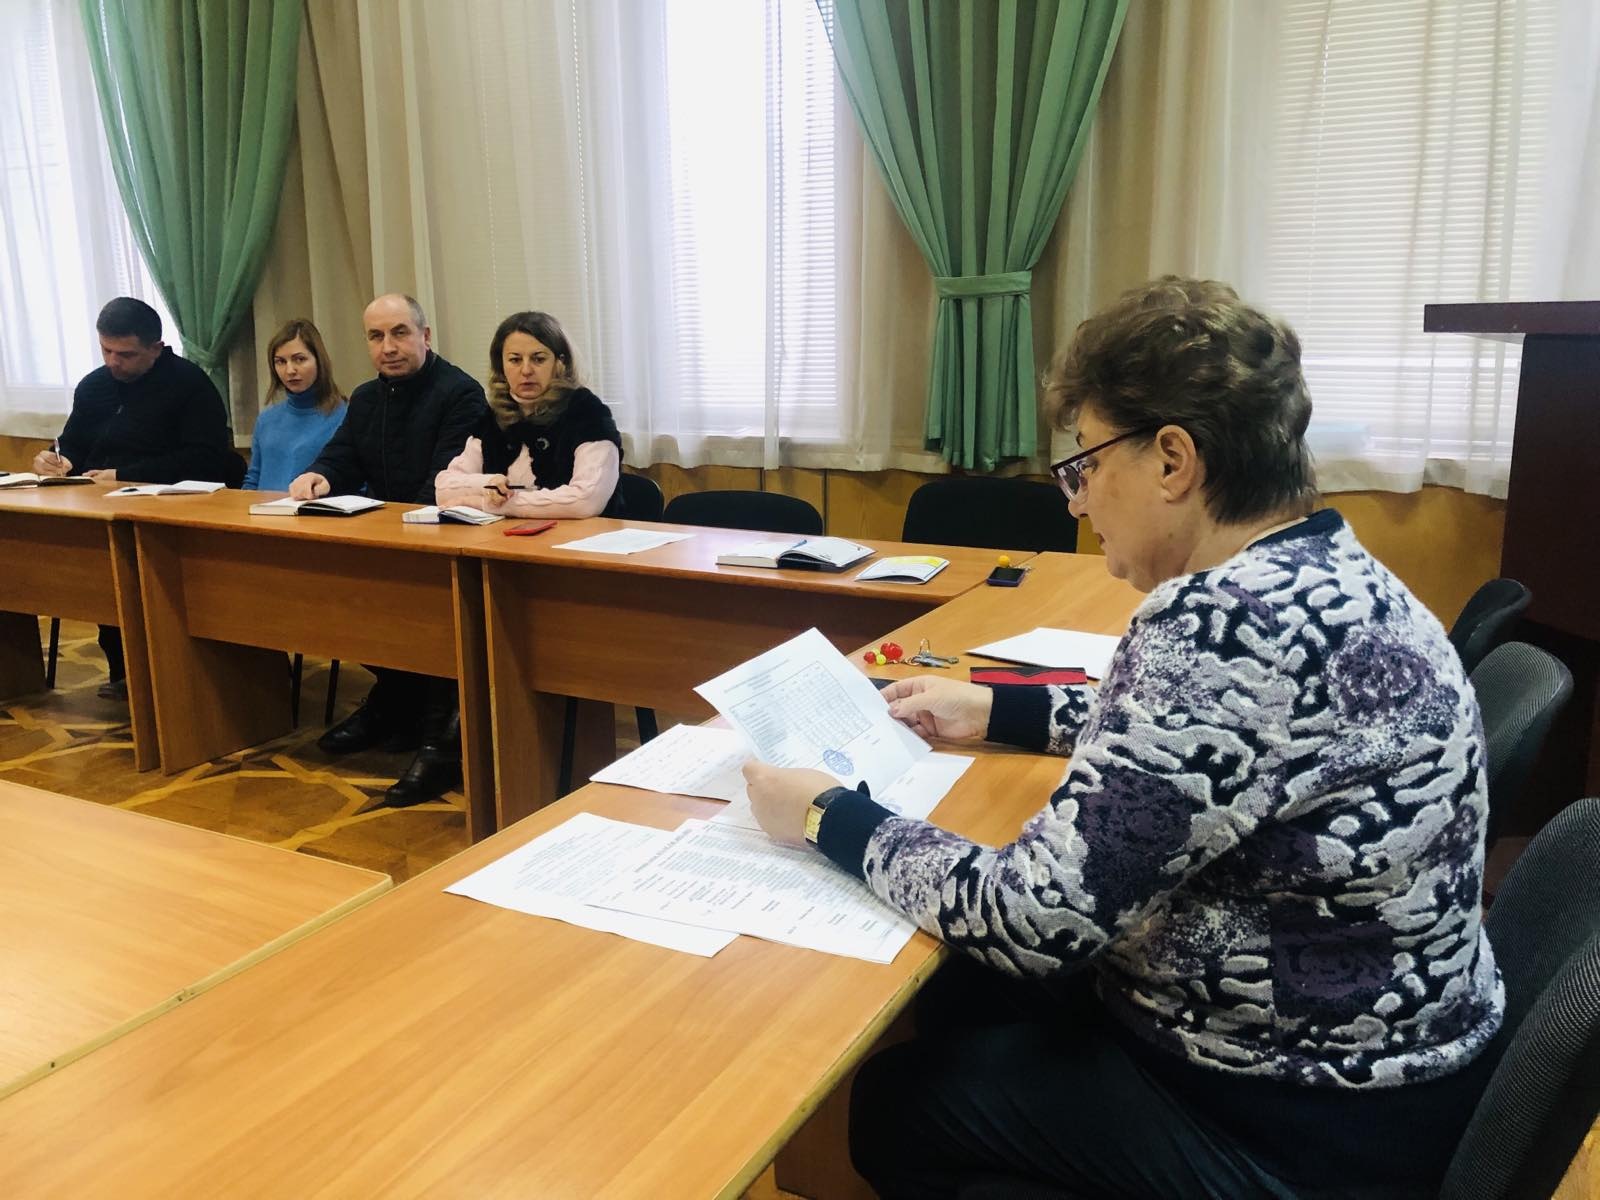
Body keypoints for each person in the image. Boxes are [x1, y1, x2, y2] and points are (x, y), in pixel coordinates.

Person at [742, 277, 1504, 1198]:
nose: (1076, 502)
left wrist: (826, 815)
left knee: (897, 1101)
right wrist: (997, 709)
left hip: (1294, 1116)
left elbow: (1033, 918)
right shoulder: (1328, 569)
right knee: (963, 994)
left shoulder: (1217, 622)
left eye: (1086, 467)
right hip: (1391, 1067)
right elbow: (1204, 747)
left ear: (1173, 460)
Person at [290, 294, 488, 808]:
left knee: (423, 615)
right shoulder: (366, 397)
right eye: (376, 337)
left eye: (400, 333)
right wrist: (319, 476)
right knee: (345, 599)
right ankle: (395, 700)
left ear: (425, 335)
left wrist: (402, 527)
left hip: (446, 542)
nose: (388, 347)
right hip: (390, 538)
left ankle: (440, 739)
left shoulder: (460, 393)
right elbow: (343, 455)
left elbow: (445, 481)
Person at [33, 297, 232, 701]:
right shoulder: (94, 386)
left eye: (125, 354)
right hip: (102, 514)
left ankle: (174, 678)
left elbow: (208, 459)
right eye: (105, 350)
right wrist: (55, 459)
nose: (113, 362)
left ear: (156, 348)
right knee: (106, 591)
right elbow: (73, 444)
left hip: (170, 517)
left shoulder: (190, 385)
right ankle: (124, 671)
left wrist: (124, 474)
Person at [434, 310, 624, 518]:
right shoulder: (495, 416)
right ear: (501, 366)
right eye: (515, 360)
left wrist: (489, 504)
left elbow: (585, 501)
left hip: (582, 536)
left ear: (559, 363)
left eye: (538, 359)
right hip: (503, 535)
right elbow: (443, 489)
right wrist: (489, 484)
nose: (526, 370)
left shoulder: (588, 412)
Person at [242, 319, 348, 492]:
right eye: (280, 362)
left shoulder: (344, 417)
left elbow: (354, 483)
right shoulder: (266, 420)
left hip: (315, 508)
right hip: (263, 508)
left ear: (319, 361)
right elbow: (252, 481)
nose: (290, 370)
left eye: (299, 359)